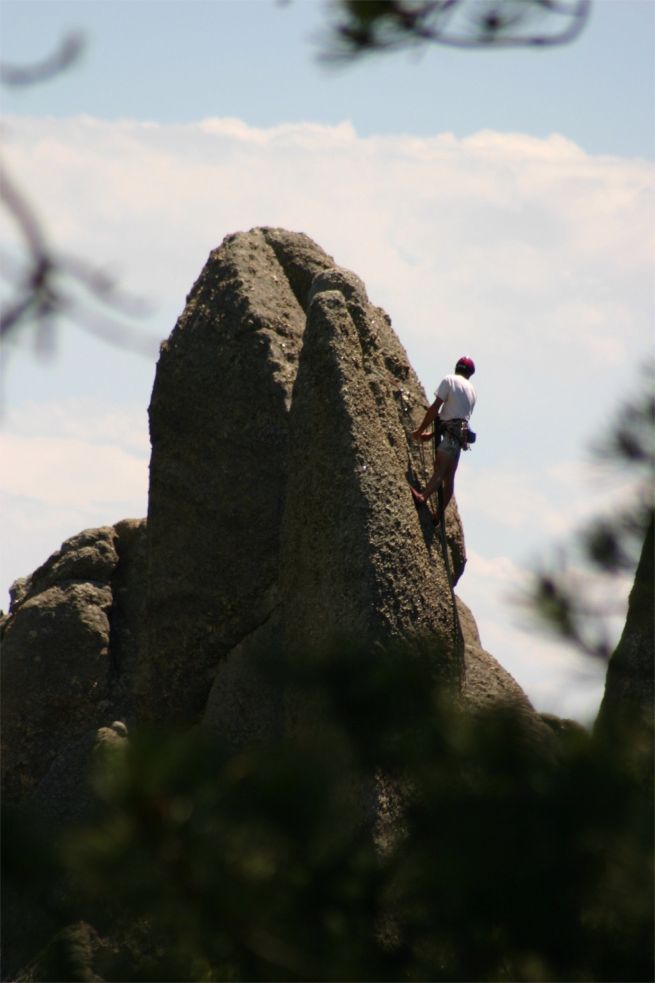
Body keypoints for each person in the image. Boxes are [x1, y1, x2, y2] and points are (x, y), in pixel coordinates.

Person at [411, 356, 476, 518]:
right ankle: (438, 515)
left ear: (456, 367)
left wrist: (419, 430)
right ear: (470, 374)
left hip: (452, 433)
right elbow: (454, 416)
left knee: (440, 468)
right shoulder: (472, 391)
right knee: (449, 477)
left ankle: (422, 497)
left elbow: (435, 409)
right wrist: (432, 434)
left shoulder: (449, 380)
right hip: (460, 434)